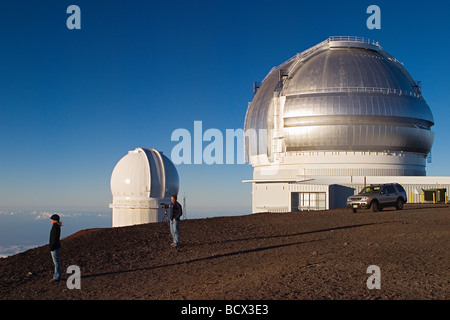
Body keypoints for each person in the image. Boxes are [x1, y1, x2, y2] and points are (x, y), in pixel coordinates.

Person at [49, 214, 62, 282]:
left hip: (54, 247)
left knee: (56, 262)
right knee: (56, 261)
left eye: (51, 219)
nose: (50, 221)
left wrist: (52, 246)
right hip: (56, 246)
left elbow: (53, 238)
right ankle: (57, 275)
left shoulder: (55, 227)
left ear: (54, 220)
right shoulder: (57, 226)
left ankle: (57, 276)